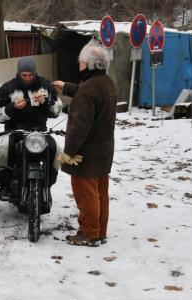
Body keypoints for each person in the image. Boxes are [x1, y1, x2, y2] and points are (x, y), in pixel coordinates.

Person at [53, 40, 117, 247]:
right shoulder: (106, 82)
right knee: (100, 193)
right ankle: (99, 231)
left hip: (85, 153)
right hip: (103, 151)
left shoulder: (89, 89)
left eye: (81, 60)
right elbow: (87, 91)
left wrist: (68, 154)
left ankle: (90, 234)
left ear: (89, 64)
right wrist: (66, 87)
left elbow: (79, 127)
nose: (79, 62)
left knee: (86, 194)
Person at [0, 57, 63, 197]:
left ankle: (47, 184)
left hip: (40, 131)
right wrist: (12, 108)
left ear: (35, 73)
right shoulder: (7, 88)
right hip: (14, 131)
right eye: (24, 75)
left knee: (57, 151)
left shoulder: (46, 85)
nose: (28, 78)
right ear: (18, 73)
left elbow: (57, 110)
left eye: (31, 75)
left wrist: (46, 103)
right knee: (3, 150)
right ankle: (5, 184)